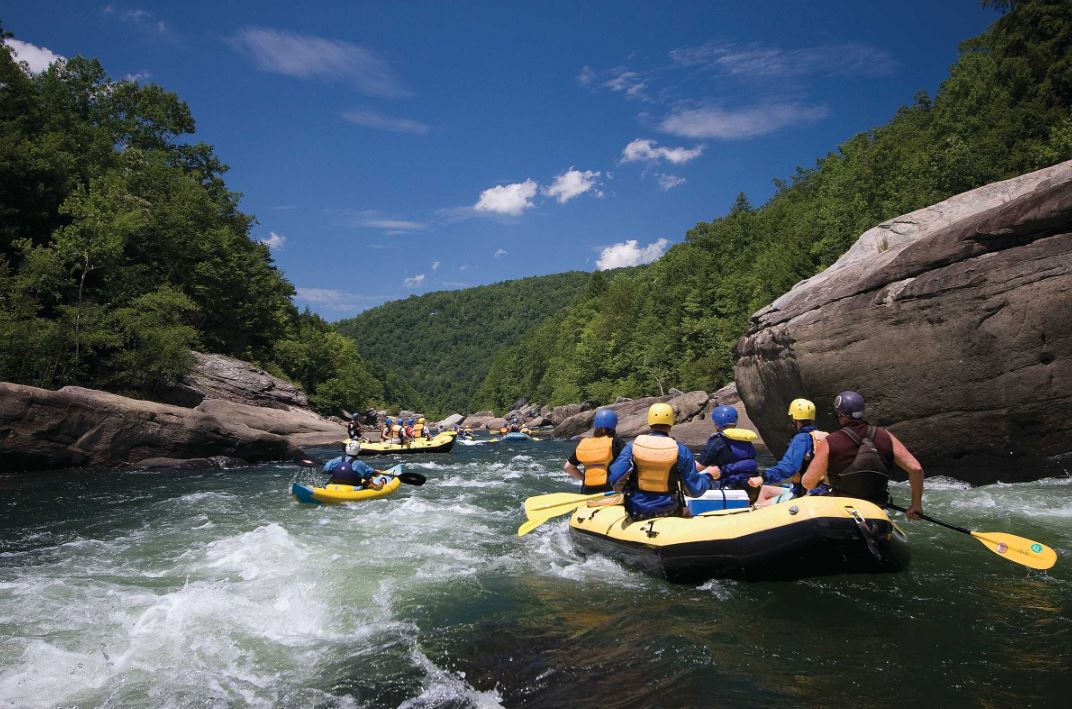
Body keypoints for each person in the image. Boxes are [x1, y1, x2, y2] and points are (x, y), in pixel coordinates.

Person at [802, 391, 924, 518]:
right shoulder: (885, 435)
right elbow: (916, 469)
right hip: (878, 512)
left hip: (843, 511)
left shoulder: (830, 441)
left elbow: (808, 483)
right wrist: (916, 505)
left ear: (840, 415)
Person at [608, 403, 717, 519]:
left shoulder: (632, 447)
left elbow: (614, 478)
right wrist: (709, 476)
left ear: (650, 423)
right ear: (671, 424)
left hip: (637, 510)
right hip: (669, 510)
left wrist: (626, 489)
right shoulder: (681, 450)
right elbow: (694, 491)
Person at [754, 399, 829, 506]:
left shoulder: (801, 438)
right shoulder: (823, 436)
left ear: (794, 419)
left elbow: (789, 466)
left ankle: (758, 508)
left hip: (804, 493)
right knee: (765, 489)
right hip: (822, 489)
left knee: (759, 507)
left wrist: (763, 477)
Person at [696, 405, 759, 493]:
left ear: (717, 424)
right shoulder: (746, 441)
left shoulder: (718, 442)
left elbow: (697, 467)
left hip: (728, 487)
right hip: (750, 488)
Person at [564, 408, 626, 494]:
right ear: (614, 426)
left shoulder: (585, 444)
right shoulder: (616, 442)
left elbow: (568, 467)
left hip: (587, 492)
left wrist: (584, 478)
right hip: (609, 492)